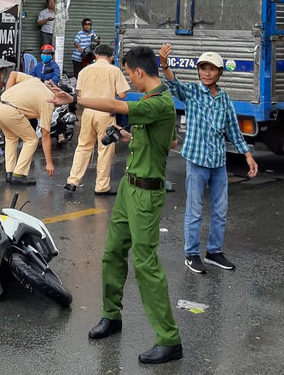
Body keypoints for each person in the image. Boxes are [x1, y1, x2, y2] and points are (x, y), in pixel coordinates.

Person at [47, 46, 182, 365]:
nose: (129, 80)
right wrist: (127, 137)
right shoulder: (155, 102)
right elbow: (171, 141)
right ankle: (112, 316)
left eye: (128, 73)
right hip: (128, 190)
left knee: (146, 265)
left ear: (138, 72)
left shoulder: (160, 102)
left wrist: (75, 99)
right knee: (111, 254)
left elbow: (115, 104)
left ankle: (169, 339)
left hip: (146, 194)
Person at [157, 45, 258, 274]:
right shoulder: (192, 92)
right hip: (196, 162)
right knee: (194, 211)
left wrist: (248, 156)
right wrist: (164, 64)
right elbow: (174, 84)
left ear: (219, 73)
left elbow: (233, 129)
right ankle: (191, 254)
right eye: (203, 68)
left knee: (220, 210)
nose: (206, 73)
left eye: (211, 69)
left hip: (218, 164)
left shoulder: (224, 99)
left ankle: (214, 252)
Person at [65, 43, 130, 195]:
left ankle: (72, 181)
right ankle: (101, 187)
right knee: (105, 149)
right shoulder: (114, 70)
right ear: (111, 57)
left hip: (87, 112)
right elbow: (122, 95)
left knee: (83, 147)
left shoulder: (84, 71)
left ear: (95, 56)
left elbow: (79, 94)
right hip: (106, 113)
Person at [0, 69, 56, 185]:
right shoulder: (49, 101)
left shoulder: (36, 81)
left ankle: (10, 172)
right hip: (10, 110)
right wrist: (49, 163)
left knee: (11, 138)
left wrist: (8, 96)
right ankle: (19, 174)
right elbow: (45, 135)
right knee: (32, 140)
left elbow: (13, 74)